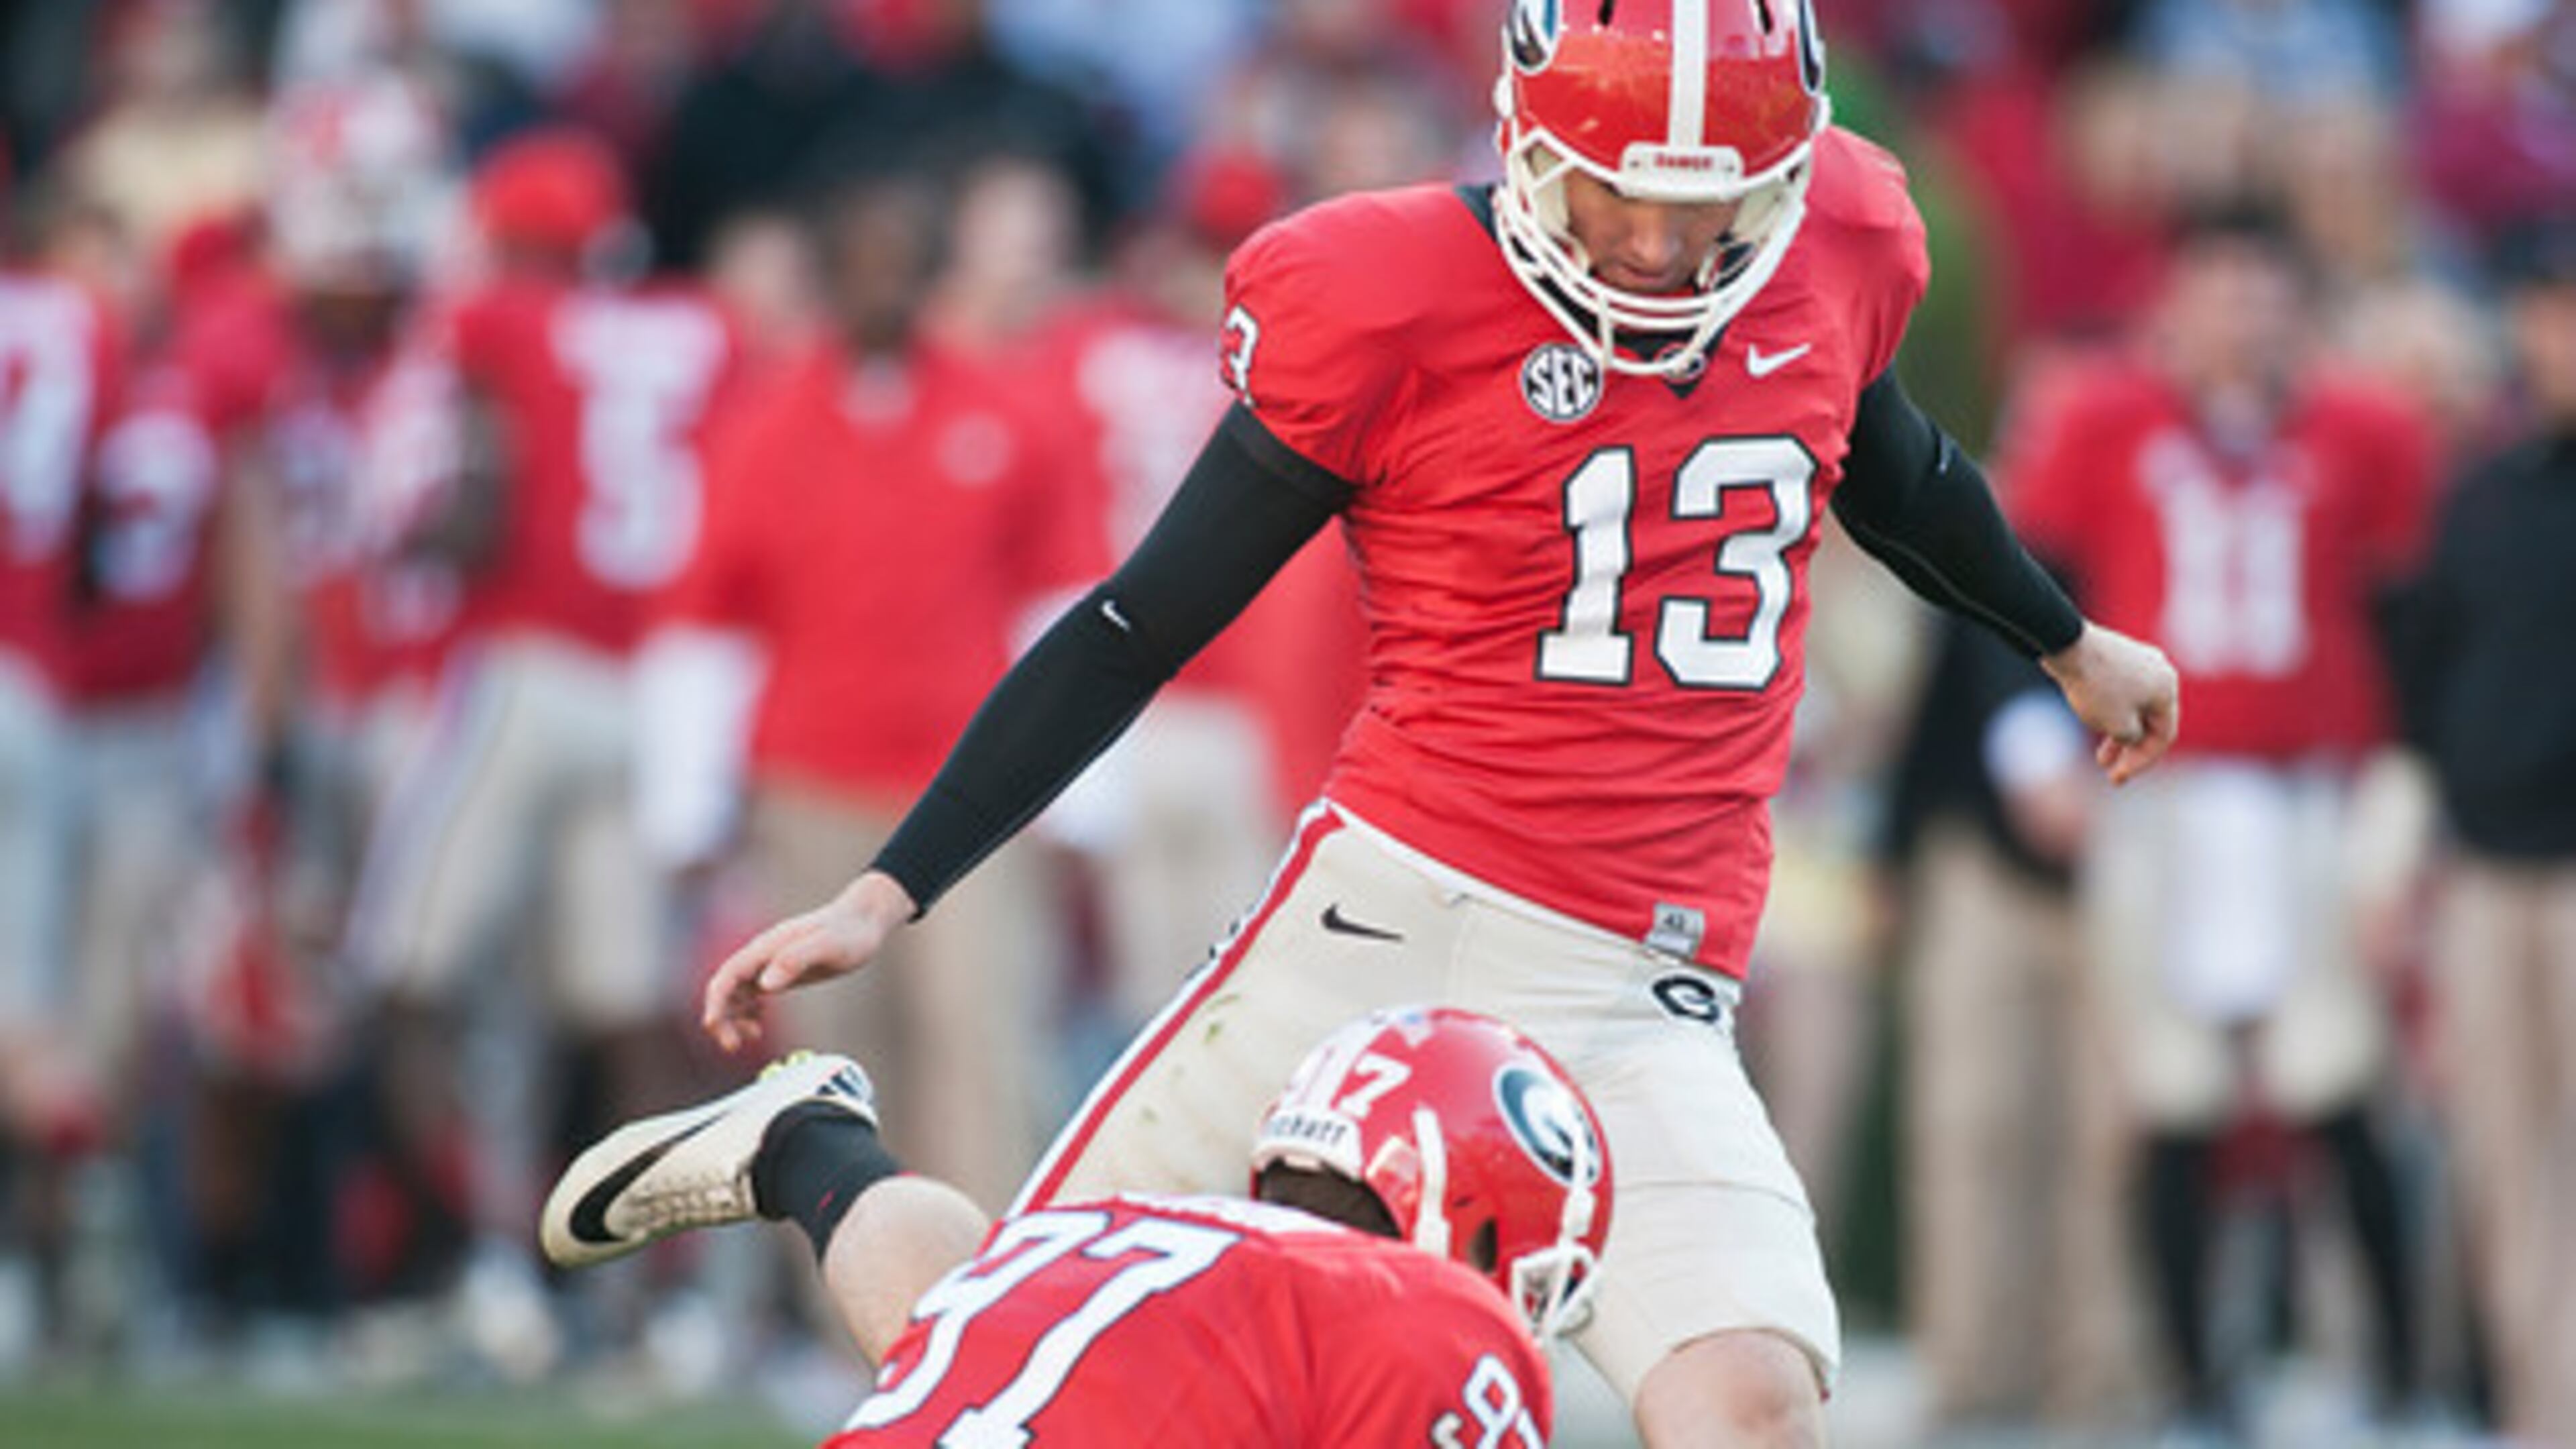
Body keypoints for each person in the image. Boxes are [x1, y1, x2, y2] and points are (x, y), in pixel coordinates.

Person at [702, 5, 2180, 1442]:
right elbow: (1139, 622)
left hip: (1638, 987)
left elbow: (1895, 461)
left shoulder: (1833, 250)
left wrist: (2066, 639)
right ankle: (814, 1148)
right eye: (1619, 195)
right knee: (1031, 1357)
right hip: (1375, 925)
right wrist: (892, 887)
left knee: (1750, 1405)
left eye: (1706, 201)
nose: (1663, 248)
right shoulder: (1392, 296)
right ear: (1533, 142)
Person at [2002, 203, 2428, 1429]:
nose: (2241, 310)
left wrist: (2405, 796)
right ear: (2170, 300)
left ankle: (2398, 1376)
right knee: (2173, 1094)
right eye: (2217, 285)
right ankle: (2196, 1382)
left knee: (2337, 1082)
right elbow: (2028, 590)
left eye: (2261, 285)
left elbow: (2409, 619)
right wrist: (2034, 744)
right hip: (2156, 791)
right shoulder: (2102, 417)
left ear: (2297, 300)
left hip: (2312, 789)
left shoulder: (2367, 427)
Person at [541, 1005, 1606, 1445]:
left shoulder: (1096, 1234)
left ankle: (810, 1148)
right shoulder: (1435, 1319)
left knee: (961, 1296)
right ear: (1472, 1220)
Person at [2392, 217, 2576, 1442]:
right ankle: (2536, 1409)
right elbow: (2426, 680)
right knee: (2505, 1170)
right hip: (2488, 866)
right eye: (2545, 308)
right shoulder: (2486, 495)